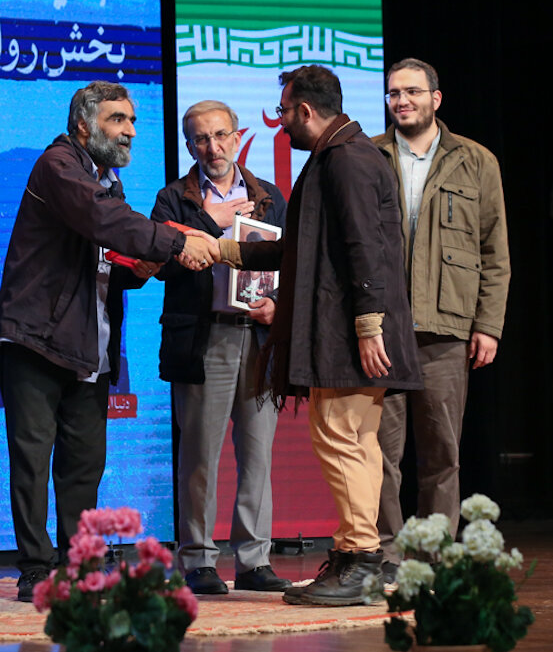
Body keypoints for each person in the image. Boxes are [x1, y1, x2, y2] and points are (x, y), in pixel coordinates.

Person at [0, 80, 218, 602]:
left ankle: (78, 565)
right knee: (32, 462)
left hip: (89, 344)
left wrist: (147, 264)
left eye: (132, 120)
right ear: (83, 125)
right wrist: (177, 240)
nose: (130, 130)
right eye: (118, 119)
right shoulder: (59, 166)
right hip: (36, 339)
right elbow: (104, 221)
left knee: (84, 466)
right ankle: (35, 569)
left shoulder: (107, 182)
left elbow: (110, 259)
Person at [216, 65, 421, 606]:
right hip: (351, 330)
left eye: (284, 112)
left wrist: (369, 327)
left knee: (340, 438)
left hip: (351, 334)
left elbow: (364, 247)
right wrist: (223, 249)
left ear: (305, 110)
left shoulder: (347, 159)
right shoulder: (341, 155)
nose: (281, 122)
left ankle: (360, 561)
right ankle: (358, 557)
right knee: (355, 442)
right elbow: (300, 248)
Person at [373, 58, 510, 579]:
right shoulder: (371, 156)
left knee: (441, 454)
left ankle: (433, 557)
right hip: (382, 331)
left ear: (435, 98)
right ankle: (386, 556)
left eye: (411, 91)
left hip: (446, 327)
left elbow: (495, 252)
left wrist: (488, 325)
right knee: (380, 455)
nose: (401, 101)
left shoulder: (476, 161)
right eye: (393, 93)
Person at [150, 100, 291, 594]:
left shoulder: (268, 195)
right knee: (199, 455)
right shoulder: (174, 199)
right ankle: (198, 560)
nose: (213, 147)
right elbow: (158, 263)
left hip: (257, 336)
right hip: (203, 336)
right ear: (190, 146)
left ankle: (254, 560)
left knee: (258, 454)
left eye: (220, 135)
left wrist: (277, 305)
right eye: (201, 139)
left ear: (237, 137)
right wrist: (210, 221)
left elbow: (290, 260)